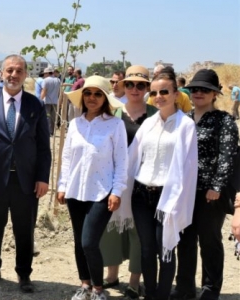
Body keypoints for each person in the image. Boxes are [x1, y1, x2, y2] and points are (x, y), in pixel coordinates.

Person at [0, 54, 51, 293]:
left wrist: (42, 177)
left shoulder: (35, 104)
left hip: (25, 180)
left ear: (25, 75)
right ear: (1, 73)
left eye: (18, 71)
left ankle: (24, 274)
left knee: (24, 229)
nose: (13, 75)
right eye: (9, 71)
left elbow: (43, 146)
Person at [124, 69, 198, 300]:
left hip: (168, 196)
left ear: (176, 93)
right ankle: (151, 294)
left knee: (166, 249)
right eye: (154, 92)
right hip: (141, 195)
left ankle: (162, 295)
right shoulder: (148, 124)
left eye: (164, 91)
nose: (159, 96)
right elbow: (131, 157)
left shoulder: (185, 126)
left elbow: (188, 169)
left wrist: (177, 201)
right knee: (147, 250)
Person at [58, 76, 127, 300]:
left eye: (98, 94)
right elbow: (67, 158)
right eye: (88, 93)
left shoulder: (115, 125)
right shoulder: (76, 124)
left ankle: (98, 289)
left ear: (105, 98)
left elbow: (121, 161)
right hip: (75, 191)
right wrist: (62, 186)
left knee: (89, 241)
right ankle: (85, 285)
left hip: (102, 191)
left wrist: (117, 191)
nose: (92, 98)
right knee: (79, 241)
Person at [171, 69, 239, 300]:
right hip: (185, 191)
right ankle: (185, 287)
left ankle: (211, 288)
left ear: (214, 95)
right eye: (194, 89)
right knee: (185, 240)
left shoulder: (224, 120)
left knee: (209, 240)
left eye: (205, 90)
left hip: (210, 193)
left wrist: (217, 187)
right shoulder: (184, 119)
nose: (198, 93)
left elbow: (228, 156)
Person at [99, 65, 156, 300]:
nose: (134, 89)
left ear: (147, 88)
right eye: (130, 84)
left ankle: (134, 280)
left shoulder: (155, 115)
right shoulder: (114, 113)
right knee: (110, 229)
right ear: (123, 86)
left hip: (144, 182)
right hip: (117, 178)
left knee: (138, 231)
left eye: (140, 85)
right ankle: (112, 275)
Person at [41, 67, 61, 135]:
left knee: (47, 117)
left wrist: (40, 100)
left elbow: (44, 91)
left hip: (47, 101)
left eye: (44, 73)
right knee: (53, 117)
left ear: (47, 73)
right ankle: (52, 131)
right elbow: (59, 92)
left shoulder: (45, 80)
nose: (44, 75)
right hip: (55, 101)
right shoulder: (58, 80)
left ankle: (48, 131)